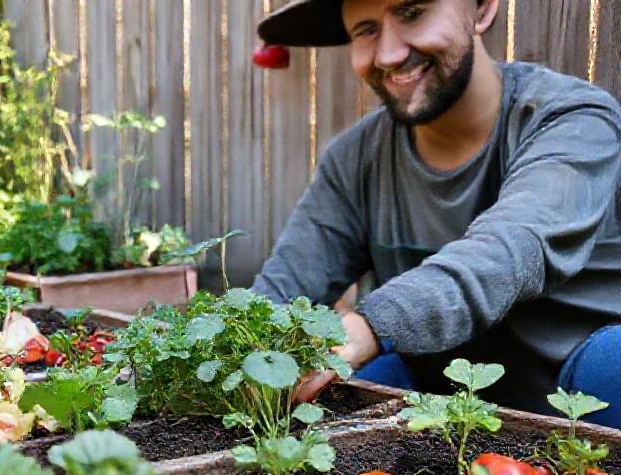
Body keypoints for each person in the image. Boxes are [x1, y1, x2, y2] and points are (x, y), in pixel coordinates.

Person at [251, 0, 621, 428]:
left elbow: (513, 249)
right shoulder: (355, 158)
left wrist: (372, 325)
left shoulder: (572, 122)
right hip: (443, 414)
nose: (389, 54)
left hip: (583, 402)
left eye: (413, 14)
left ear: (481, 10)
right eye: (366, 30)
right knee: (353, 383)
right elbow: (279, 291)